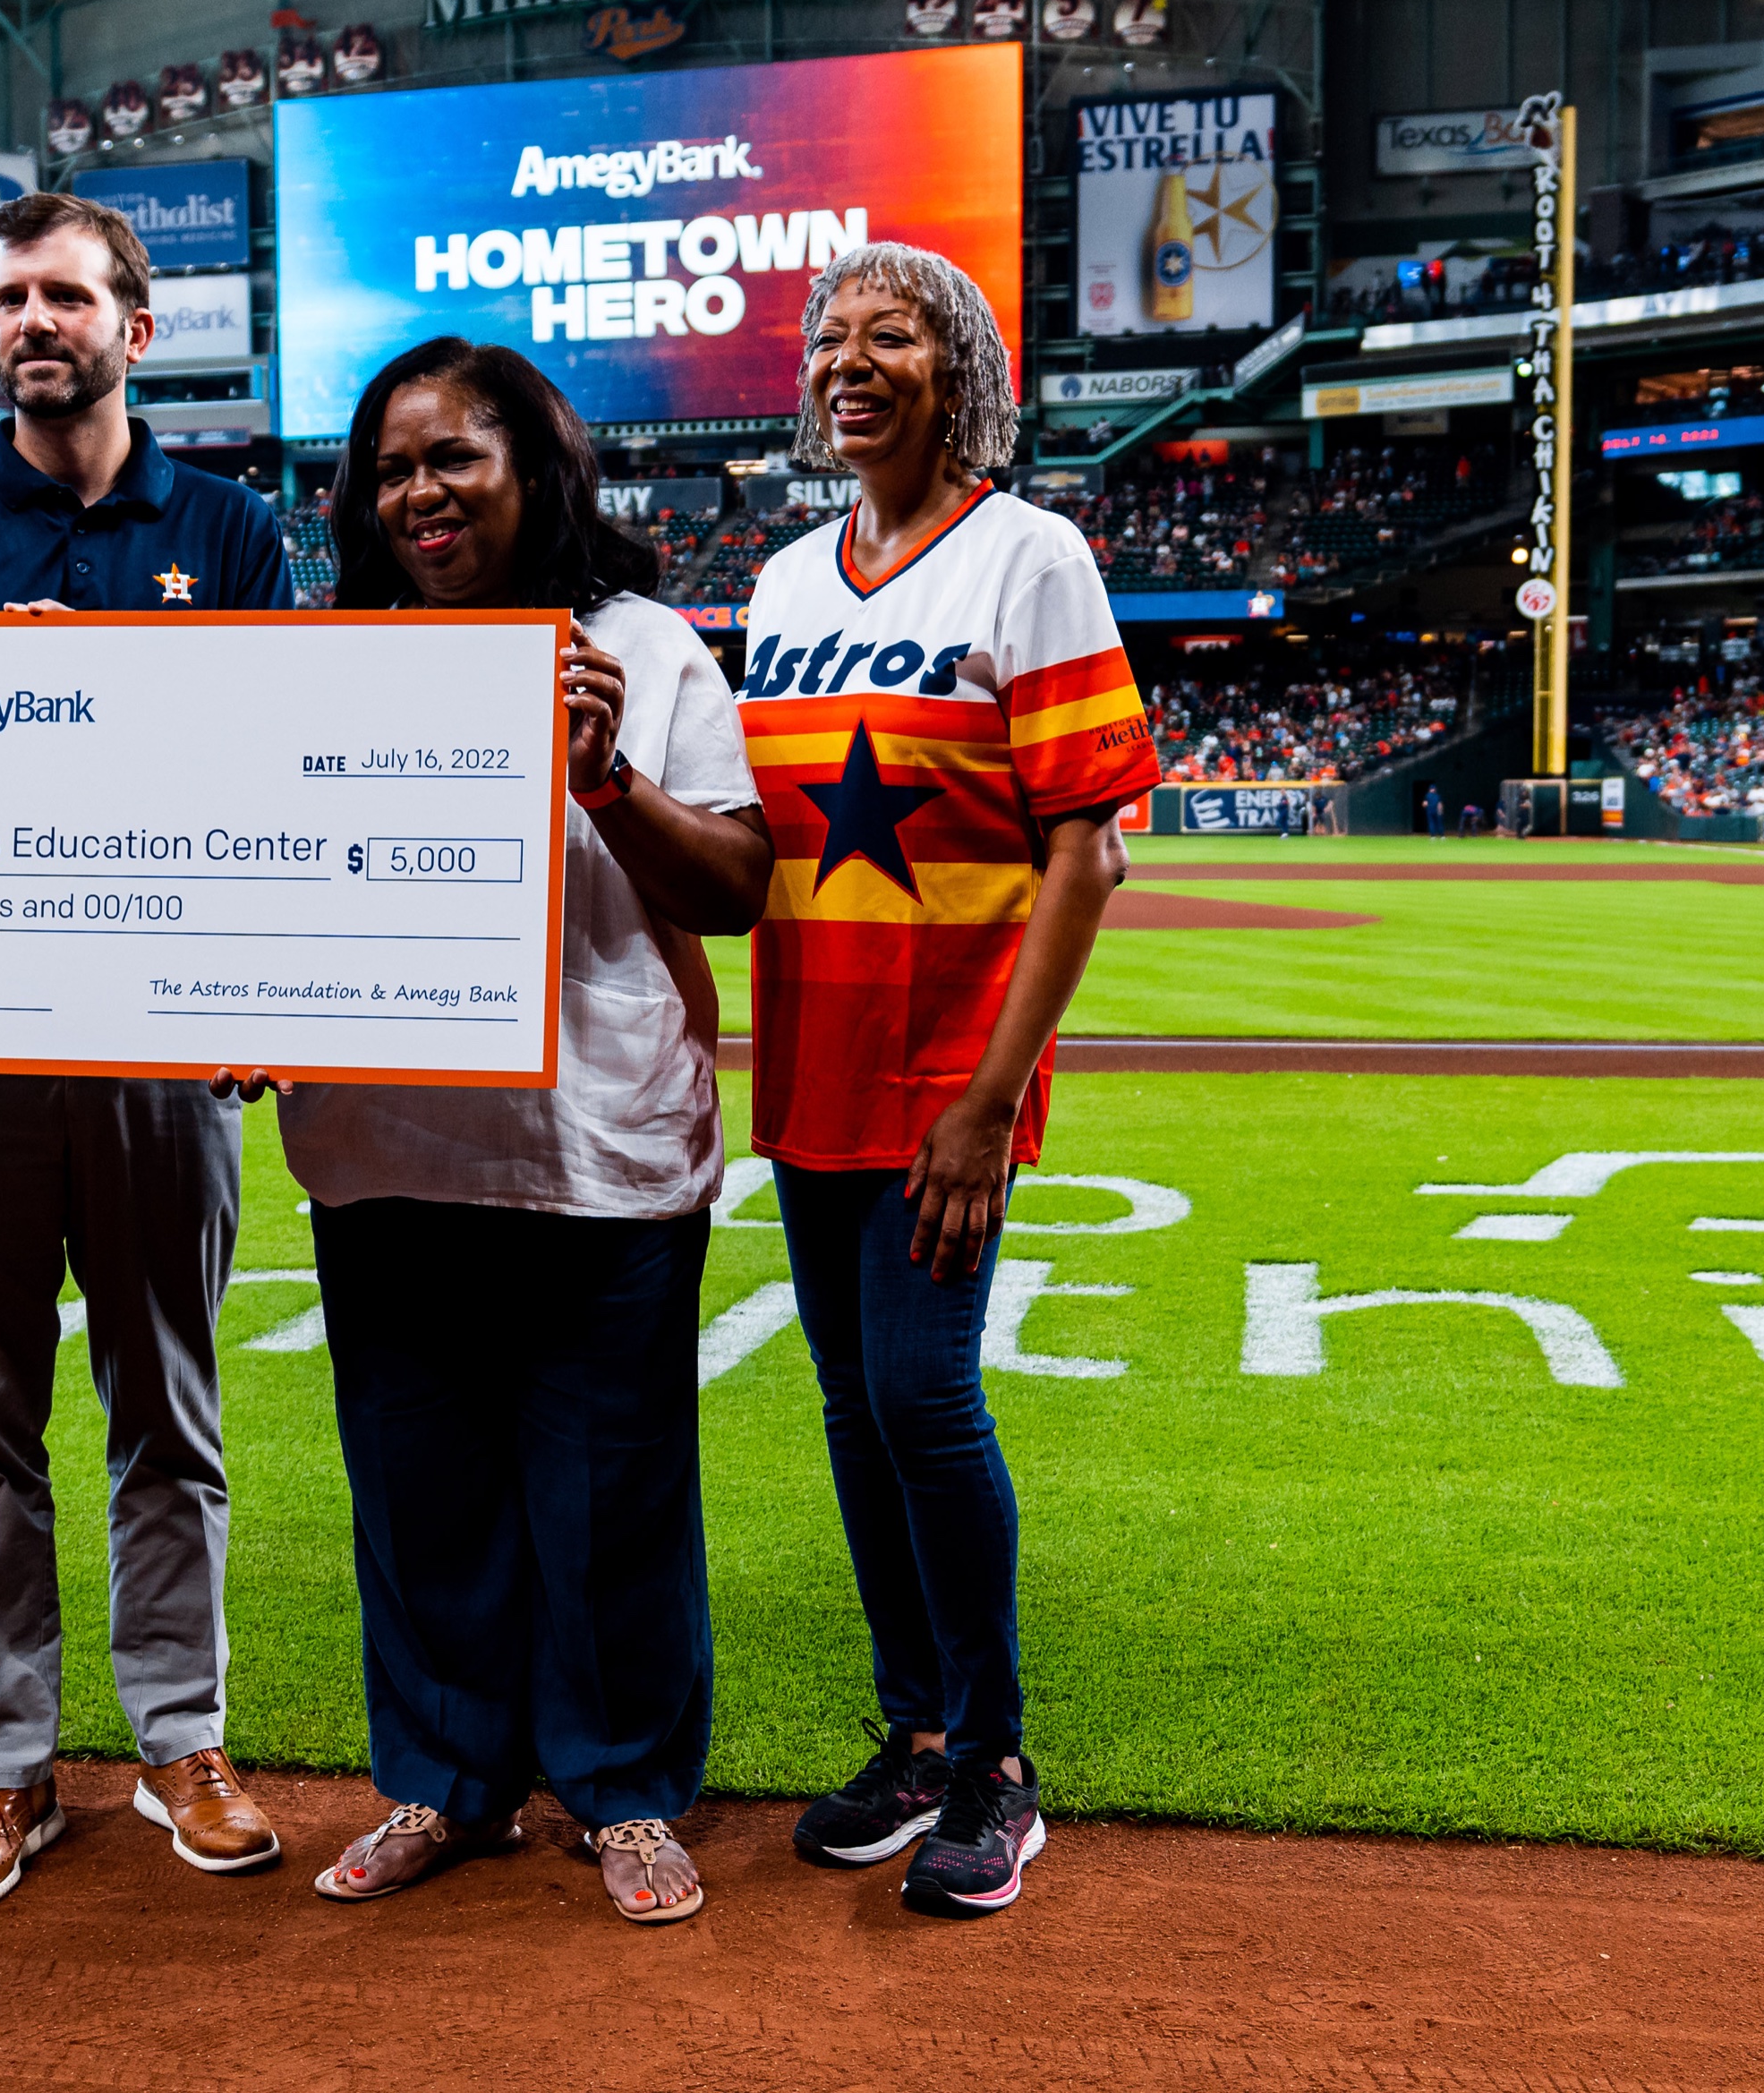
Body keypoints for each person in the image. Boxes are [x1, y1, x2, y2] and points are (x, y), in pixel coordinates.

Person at [0, 190, 295, 1916]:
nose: (34, 321)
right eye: (10, 296)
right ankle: (2, 1772)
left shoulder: (230, 531)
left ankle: (184, 1737)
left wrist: (118, 693)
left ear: (133, 330)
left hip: (162, 1041)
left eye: (66, 296)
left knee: (169, 1405)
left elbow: (269, 777)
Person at [268, 340, 771, 1927]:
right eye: (394, 465)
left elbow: (738, 890)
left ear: (535, 468)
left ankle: (624, 1794)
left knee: (612, 1492)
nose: (419, 490)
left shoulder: (639, 646)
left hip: (597, 1147)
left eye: (455, 457)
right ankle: (442, 1783)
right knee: (419, 1497)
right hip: (380, 1150)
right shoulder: (324, 657)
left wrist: (606, 777)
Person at [734, 243, 1159, 1919]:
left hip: (944, 1078)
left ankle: (995, 1756)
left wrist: (990, 1099)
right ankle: (916, 1728)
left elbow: (1089, 856)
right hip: (811, 1067)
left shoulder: (1030, 557)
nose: (852, 360)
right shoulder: (777, 584)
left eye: (890, 334)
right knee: (851, 1409)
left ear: (955, 366)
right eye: (832, 336)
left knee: (921, 1396)